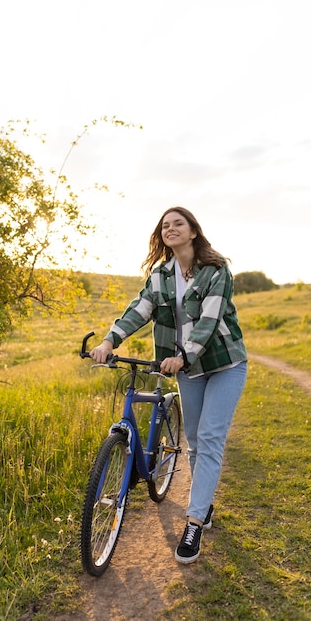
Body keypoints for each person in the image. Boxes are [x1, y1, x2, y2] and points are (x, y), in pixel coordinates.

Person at [90, 206, 247, 564]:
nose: (171, 228)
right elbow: (139, 309)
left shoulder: (216, 269)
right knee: (193, 439)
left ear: (193, 231)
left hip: (224, 363)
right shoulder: (161, 273)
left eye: (179, 223)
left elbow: (208, 321)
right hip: (187, 368)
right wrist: (110, 341)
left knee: (208, 439)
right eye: (165, 225)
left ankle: (194, 522)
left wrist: (183, 356)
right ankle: (203, 502)